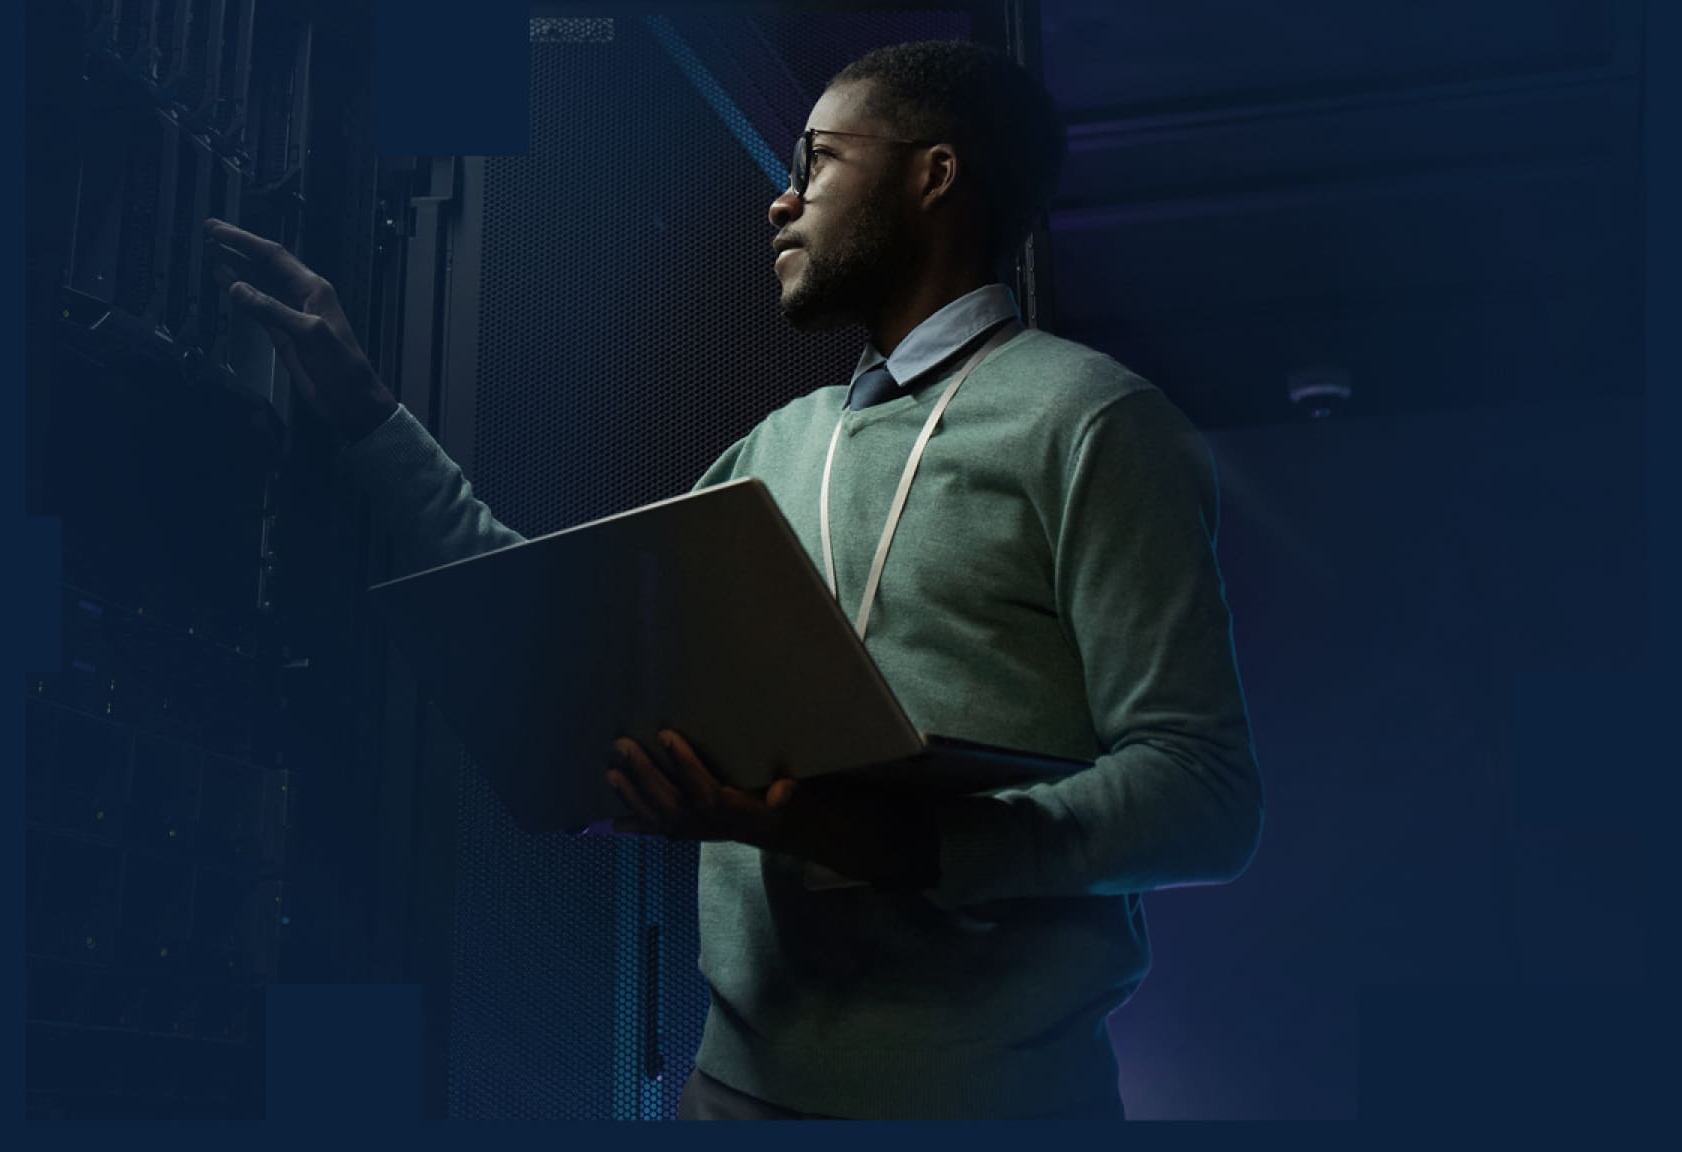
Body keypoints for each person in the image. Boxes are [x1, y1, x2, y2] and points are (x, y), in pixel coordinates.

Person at [204, 39, 1262, 1122]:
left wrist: (911, 846)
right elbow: (553, 635)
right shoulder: (777, 446)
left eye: (815, 162)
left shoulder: (1091, 421)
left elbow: (1202, 796)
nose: (779, 201)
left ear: (931, 176)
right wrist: (362, 410)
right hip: (728, 1104)